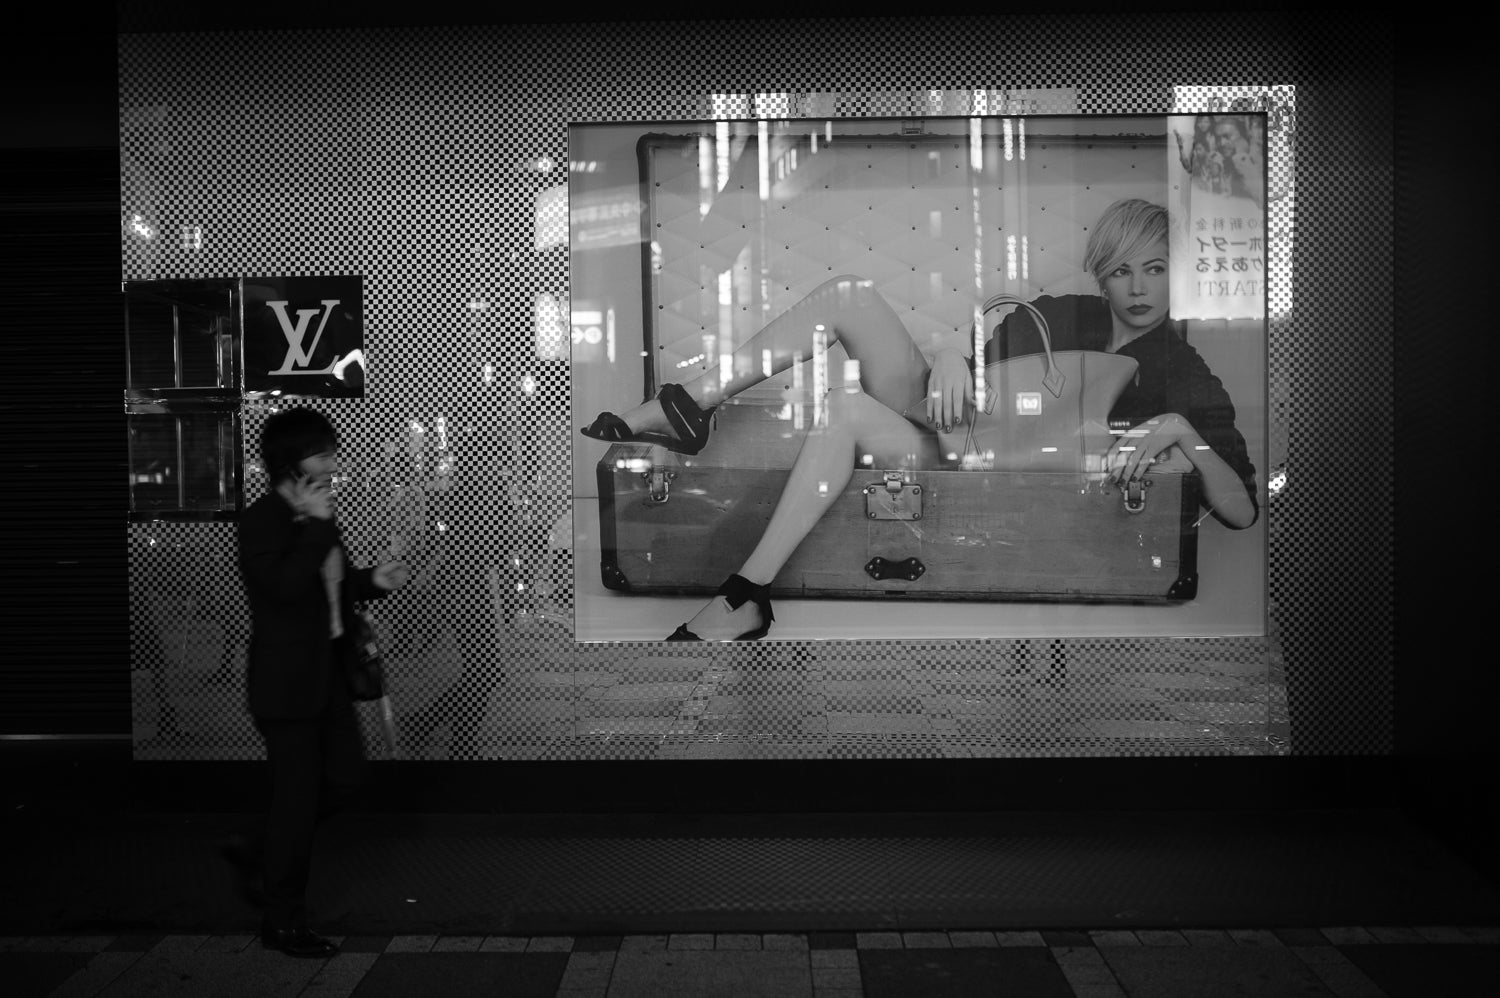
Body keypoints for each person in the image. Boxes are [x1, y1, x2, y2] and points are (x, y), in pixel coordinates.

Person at [582, 198, 1258, 640]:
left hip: (1001, 481)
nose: (1138, 289)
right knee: (848, 299)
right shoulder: (1063, 314)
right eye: (1121, 272)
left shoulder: (1182, 371)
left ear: (1180, 276)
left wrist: (1180, 430)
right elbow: (978, 369)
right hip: (951, 437)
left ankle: (734, 570)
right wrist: (950, 356)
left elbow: (1242, 512)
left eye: (1156, 270)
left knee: (846, 408)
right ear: (1101, 275)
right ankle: (695, 417)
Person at [235, 406, 410, 955]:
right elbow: (283, 589)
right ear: (292, 460)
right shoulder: (263, 520)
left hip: (328, 675)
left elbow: (328, 587)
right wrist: (311, 525)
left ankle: (260, 851)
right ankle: (283, 921)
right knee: (296, 802)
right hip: (287, 685)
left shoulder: (319, 512)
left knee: (345, 781)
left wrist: (371, 581)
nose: (334, 463)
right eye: (324, 453)